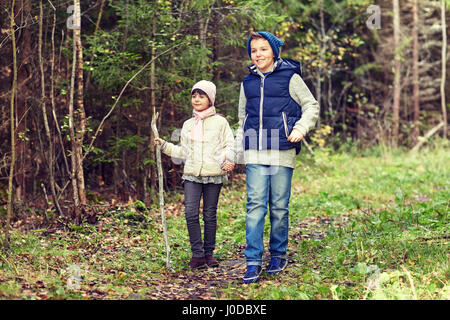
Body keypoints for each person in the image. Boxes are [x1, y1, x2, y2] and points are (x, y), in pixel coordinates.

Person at [234, 31, 320, 283]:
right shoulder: (247, 82)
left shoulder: (290, 77)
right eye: (254, 50)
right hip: (255, 151)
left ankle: (278, 254)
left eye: (263, 49)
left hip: (282, 150)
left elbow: (311, 105)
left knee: (279, 206)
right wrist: (237, 150)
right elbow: (242, 118)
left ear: (273, 51)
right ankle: (252, 261)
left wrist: (301, 128)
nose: (258, 54)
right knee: (255, 206)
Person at [154, 80, 235, 270]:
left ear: (210, 99)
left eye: (201, 96)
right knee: (190, 213)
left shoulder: (220, 122)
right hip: (192, 174)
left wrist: (227, 160)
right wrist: (165, 146)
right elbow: (184, 151)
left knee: (209, 214)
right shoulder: (189, 124)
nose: (197, 100)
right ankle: (197, 255)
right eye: (194, 96)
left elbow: (229, 145)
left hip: (214, 173)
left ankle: (209, 254)